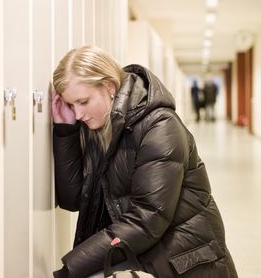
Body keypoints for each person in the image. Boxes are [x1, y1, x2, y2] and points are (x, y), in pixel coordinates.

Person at [51, 45, 238, 278]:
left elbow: (147, 218)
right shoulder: (99, 127)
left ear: (109, 87)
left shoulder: (160, 127)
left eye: (83, 101)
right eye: (71, 105)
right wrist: (65, 131)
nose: (78, 114)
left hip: (188, 265)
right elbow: (75, 198)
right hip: (150, 258)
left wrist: (73, 267)